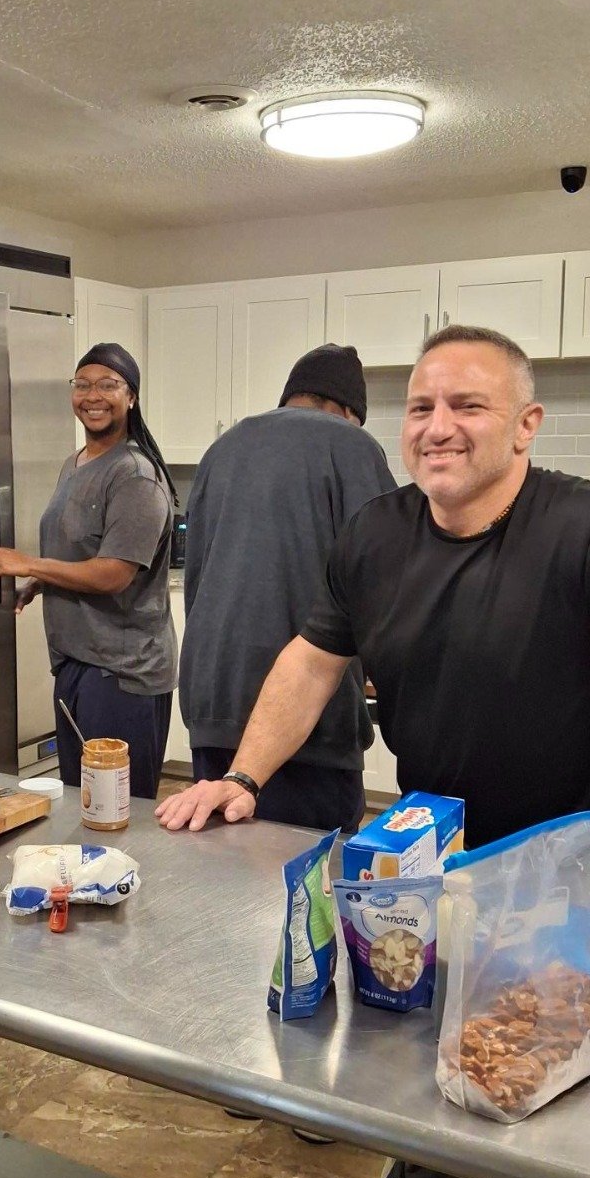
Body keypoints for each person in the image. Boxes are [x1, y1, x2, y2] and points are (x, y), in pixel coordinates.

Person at [157, 324, 590, 1178]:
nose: (438, 428)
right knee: (415, 1049)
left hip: (570, 864)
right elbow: (312, 657)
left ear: (527, 426)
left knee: (508, 1072)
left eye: (469, 406)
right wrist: (242, 778)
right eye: (421, 406)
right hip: (425, 846)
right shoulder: (375, 533)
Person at [181, 343, 395, 834]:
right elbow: (382, 574)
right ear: (348, 411)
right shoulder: (353, 446)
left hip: (212, 698)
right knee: (307, 880)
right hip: (306, 715)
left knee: (219, 855)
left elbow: (195, 576)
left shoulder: (222, 448)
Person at [0, 342, 176, 799]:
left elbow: (114, 574)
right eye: (83, 384)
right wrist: (42, 580)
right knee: (81, 800)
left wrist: (30, 562)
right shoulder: (74, 464)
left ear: (131, 397)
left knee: (118, 808)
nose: (93, 395)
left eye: (108, 385)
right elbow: (81, 548)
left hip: (121, 674)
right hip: (78, 661)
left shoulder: (134, 474)